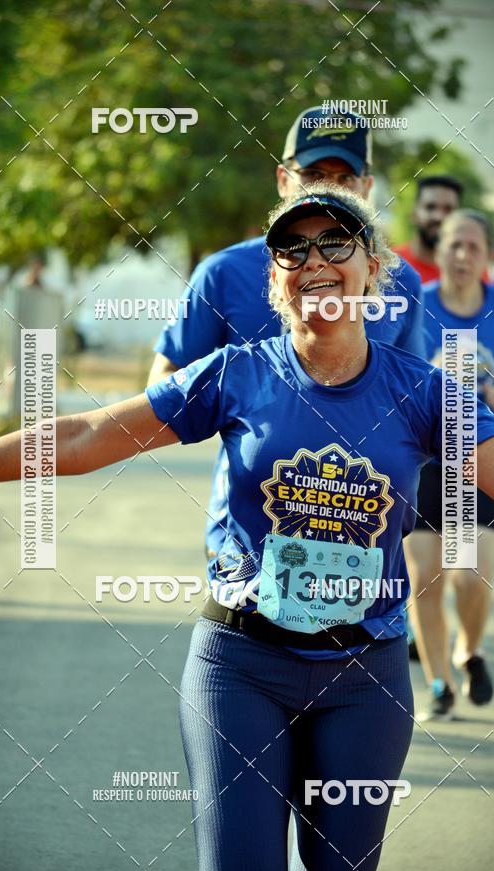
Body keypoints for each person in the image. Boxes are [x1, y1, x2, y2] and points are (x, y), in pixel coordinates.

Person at [0, 186, 494, 871]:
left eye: (336, 242)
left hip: (364, 679)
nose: (313, 259)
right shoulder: (239, 373)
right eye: (291, 248)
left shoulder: (427, 392)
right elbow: (84, 434)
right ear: (275, 280)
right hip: (240, 667)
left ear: (374, 268)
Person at [149, 106, 426, 560]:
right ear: (283, 181)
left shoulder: (405, 283)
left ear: (367, 188)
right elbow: (165, 383)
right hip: (248, 539)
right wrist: (245, 404)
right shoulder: (222, 273)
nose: (327, 190)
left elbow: (417, 402)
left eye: (344, 178)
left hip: (364, 542)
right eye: (313, 173)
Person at [405, 209, 494, 722]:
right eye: (453, 246)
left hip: (482, 456)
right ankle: (440, 683)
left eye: (473, 247)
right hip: (423, 456)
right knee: (427, 577)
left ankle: (470, 650)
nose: (462, 256)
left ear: (488, 256)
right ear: (438, 252)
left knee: (469, 577)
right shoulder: (413, 308)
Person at [395, 175, 463, 285]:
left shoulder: (470, 271)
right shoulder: (388, 265)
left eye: (448, 209)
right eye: (430, 207)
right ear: (414, 214)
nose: (439, 217)